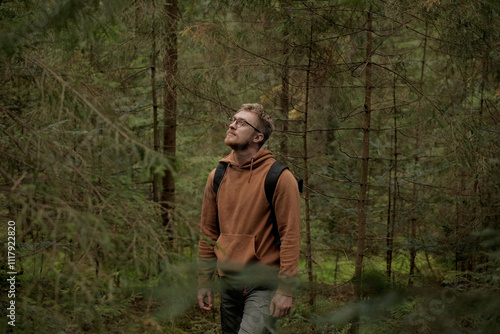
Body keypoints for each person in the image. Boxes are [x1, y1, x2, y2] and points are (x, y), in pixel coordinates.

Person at [197, 103, 301, 334]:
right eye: (233, 119)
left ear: (258, 137)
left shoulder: (280, 177)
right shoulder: (218, 175)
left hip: (263, 283)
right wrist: (205, 280)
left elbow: (290, 236)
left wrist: (286, 289)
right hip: (228, 281)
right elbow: (208, 233)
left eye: (242, 122)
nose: (232, 125)